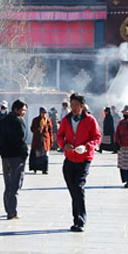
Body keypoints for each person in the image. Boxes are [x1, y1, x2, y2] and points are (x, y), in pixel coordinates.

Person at [56, 93, 101, 232]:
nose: (73, 108)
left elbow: (96, 137)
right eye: (72, 105)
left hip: (84, 158)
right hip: (69, 158)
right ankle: (77, 218)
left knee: (78, 187)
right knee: (73, 189)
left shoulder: (90, 120)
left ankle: (80, 220)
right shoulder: (66, 119)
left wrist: (87, 146)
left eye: (76, 105)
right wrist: (64, 145)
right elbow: (59, 136)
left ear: (82, 106)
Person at [0, 99, 29, 220]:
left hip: (5, 156)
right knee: (15, 184)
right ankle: (12, 211)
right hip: (17, 156)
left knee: (8, 184)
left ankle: (8, 208)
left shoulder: (3, 120)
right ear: (16, 109)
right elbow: (22, 137)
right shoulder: (18, 121)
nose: (24, 113)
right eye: (23, 110)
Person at [28, 107, 52, 174]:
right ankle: (36, 168)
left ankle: (44, 169)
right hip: (37, 140)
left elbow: (50, 131)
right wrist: (37, 129)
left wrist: (51, 140)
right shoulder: (35, 120)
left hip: (45, 140)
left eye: (45, 113)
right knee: (37, 155)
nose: (44, 114)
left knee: (45, 155)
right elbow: (32, 129)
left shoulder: (48, 121)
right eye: (42, 113)